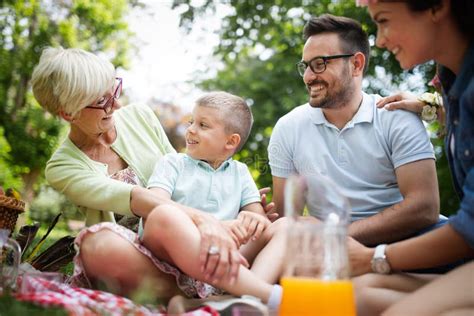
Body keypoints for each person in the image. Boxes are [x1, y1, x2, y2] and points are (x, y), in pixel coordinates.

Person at [30, 47, 277, 306]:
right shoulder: (62, 166)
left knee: (172, 218)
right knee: (97, 245)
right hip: (140, 259)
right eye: (102, 101)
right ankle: (204, 296)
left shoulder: (140, 116)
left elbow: (185, 170)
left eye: (113, 90)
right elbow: (136, 198)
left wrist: (233, 199)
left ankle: (217, 297)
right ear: (69, 113)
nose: (117, 104)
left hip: (186, 240)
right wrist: (205, 220)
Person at [268, 14, 440, 246]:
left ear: (356, 64)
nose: (309, 77)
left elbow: (425, 208)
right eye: (305, 66)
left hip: (406, 239)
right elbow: (286, 218)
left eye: (320, 64)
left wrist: (336, 234)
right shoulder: (288, 128)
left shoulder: (396, 117)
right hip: (327, 248)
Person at [349, 0, 474, 315]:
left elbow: (468, 228)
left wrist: (374, 256)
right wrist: (431, 104)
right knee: (360, 295)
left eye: (384, 20)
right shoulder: (452, 80)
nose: (379, 39)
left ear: (436, 7)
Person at [142, 91, 285, 307]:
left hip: (225, 259)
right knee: (164, 213)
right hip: (178, 254)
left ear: (230, 142)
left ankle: (240, 299)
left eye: (203, 125)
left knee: (285, 225)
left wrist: (251, 219)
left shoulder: (240, 171)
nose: (190, 129)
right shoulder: (172, 163)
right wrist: (218, 226)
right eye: (192, 121)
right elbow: (154, 206)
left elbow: (259, 222)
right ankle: (268, 295)